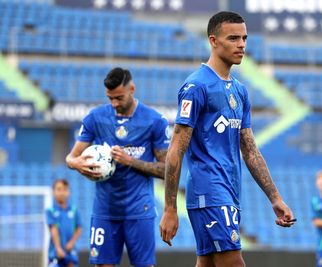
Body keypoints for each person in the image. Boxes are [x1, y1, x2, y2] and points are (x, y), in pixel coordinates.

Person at [159, 11, 296, 267]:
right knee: (233, 262)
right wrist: (169, 208)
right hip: (209, 190)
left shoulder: (240, 91)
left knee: (208, 263)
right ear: (213, 41)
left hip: (229, 190)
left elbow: (251, 150)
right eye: (233, 38)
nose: (241, 44)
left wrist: (275, 198)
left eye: (244, 38)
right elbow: (176, 147)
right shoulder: (196, 87)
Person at [66, 67, 170, 267]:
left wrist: (131, 161)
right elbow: (71, 157)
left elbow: (167, 170)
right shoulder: (95, 118)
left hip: (140, 210)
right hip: (105, 210)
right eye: (110, 98)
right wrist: (76, 163)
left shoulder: (154, 120)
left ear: (132, 89)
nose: (114, 103)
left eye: (119, 98)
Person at [46, 179, 82, 267]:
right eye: (59, 189)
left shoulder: (74, 210)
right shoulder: (51, 210)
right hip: (55, 252)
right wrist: (58, 248)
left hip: (70, 251)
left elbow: (79, 228)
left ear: (69, 192)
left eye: (65, 189)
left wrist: (72, 242)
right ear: (53, 192)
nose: (62, 192)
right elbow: (53, 229)